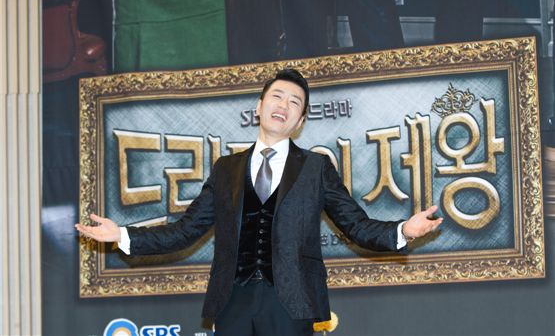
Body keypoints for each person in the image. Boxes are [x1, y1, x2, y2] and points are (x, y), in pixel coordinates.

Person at [76, 68, 443, 336]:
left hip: (290, 304)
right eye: (277, 97)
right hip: (232, 302)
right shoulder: (226, 169)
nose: (283, 105)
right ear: (260, 106)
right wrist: (123, 235)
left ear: (299, 121)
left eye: (294, 103)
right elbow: (185, 231)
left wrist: (403, 230)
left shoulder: (316, 167)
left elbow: (356, 225)